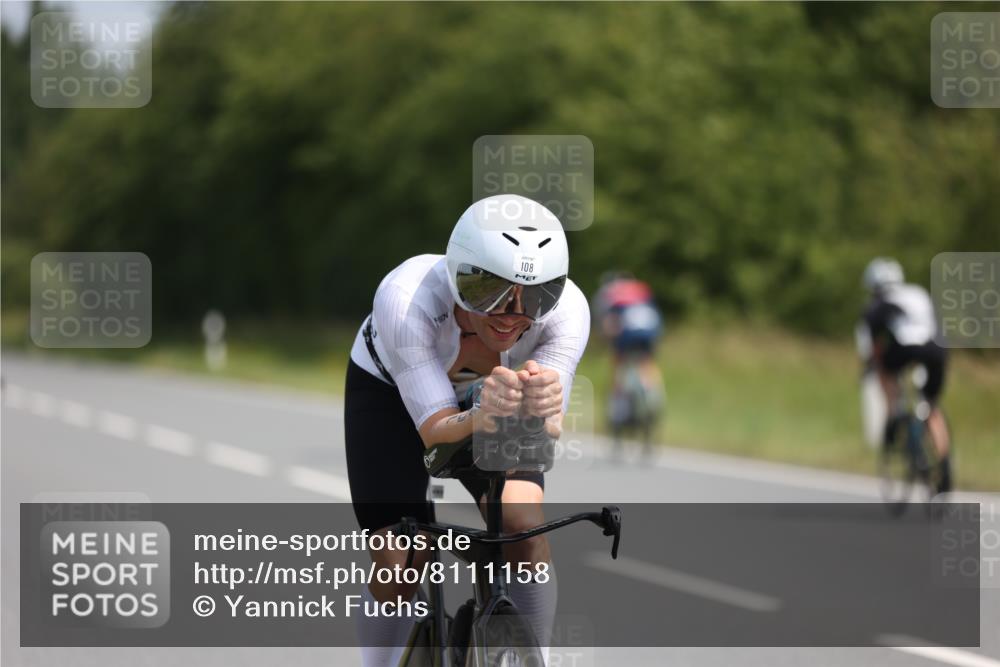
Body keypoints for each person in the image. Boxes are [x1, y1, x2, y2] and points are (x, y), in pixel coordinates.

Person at [344, 194, 590, 667]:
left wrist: (540, 410)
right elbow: (436, 435)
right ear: (458, 278)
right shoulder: (406, 297)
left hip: (495, 403)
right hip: (392, 394)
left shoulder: (568, 313)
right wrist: (481, 416)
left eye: (536, 294)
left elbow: (550, 425)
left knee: (522, 524)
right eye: (490, 292)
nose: (511, 313)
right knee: (401, 559)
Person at [855, 257, 951, 493]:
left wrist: (871, 368)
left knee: (884, 370)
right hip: (937, 349)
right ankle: (945, 464)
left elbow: (873, 348)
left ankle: (893, 413)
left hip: (905, 349)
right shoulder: (918, 292)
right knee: (931, 406)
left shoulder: (876, 306)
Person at [591, 272, 664, 453]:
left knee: (618, 370)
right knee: (647, 364)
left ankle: (618, 409)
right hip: (649, 337)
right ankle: (652, 393)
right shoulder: (642, 290)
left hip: (626, 340)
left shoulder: (612, 293)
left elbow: (608, 325)